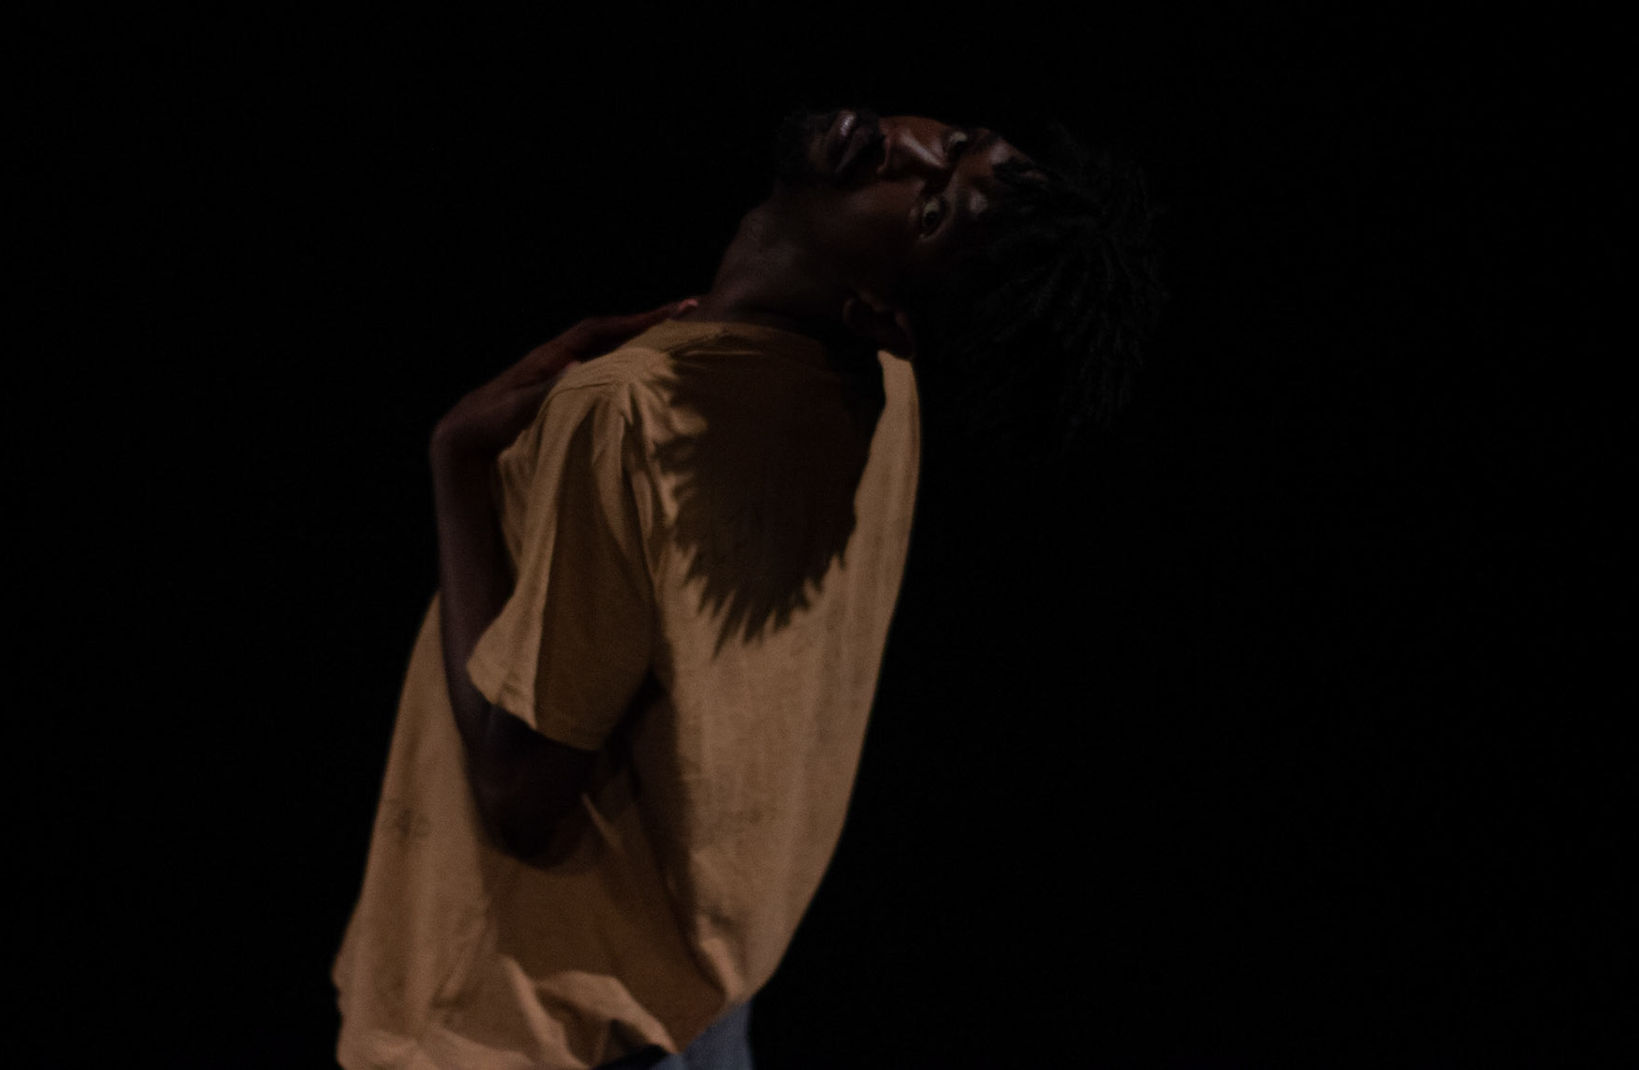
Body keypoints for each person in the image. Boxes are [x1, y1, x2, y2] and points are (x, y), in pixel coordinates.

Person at [331, 106, 1165, 1069]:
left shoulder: (633, 416)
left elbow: (518, 794)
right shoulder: (884, 397)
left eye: (930, 211)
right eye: (958, 144)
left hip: (522, 1021)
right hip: (702, 995)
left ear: (881, 314)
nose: (906, 148)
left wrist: (457, 462)